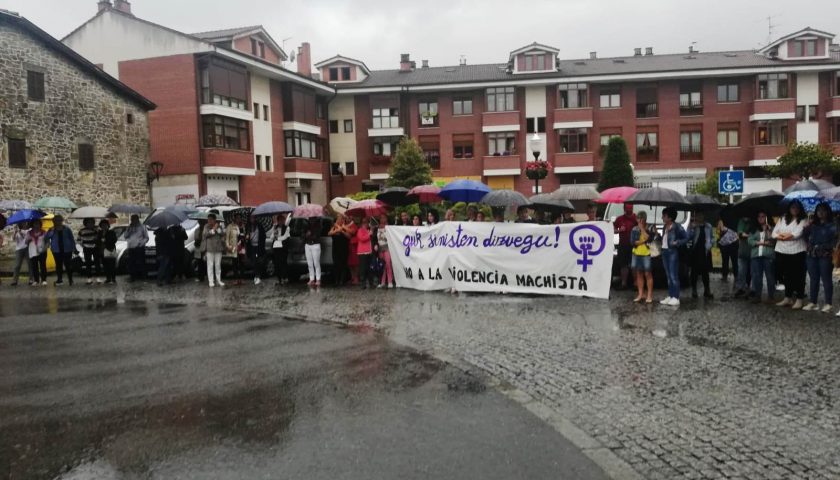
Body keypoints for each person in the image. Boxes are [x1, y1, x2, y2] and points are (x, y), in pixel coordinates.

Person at [772, 200, 807, 309]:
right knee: (786, 275)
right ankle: (788, 297)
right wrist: (784, 236)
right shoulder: (782, 218)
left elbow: (796, 234)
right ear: (789, 208)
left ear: (800, 209)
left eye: (797, 207)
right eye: (793, 207)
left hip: (797, 251)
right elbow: (774, 233)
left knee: (798, 276)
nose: (795, 209)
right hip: (782, 251)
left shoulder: (803, 220)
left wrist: (782, 236)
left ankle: (799, 299)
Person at [803, 202, 837, 312]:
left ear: (828, 212)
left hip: (825, 256)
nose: (820, 212)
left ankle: (828, 303)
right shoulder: (813, 225)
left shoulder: (833, 226)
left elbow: (834, 242)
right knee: (813, 279)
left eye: (823, 210)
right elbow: (805, 235)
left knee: (826, 279)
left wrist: (822, 246)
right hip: (812, 255)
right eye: (818, 210)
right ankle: (813, 302)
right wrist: (808, 227)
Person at [660, 207, 687, 306]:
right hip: (664, 252)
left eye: (664, 216)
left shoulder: (677, 227)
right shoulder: (665, 227)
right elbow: (664, 239)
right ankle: (671, 295)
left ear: (670, 218)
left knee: (673, 275)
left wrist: (677, 242)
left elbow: (686, 238)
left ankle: (676, 297)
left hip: (672, 253)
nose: (662, 217)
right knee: (668, 276)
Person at [748, 211, 775, 304]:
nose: (761, 218)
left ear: (767, 217)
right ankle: (757, 296)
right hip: (756, 255)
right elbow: (750, 241)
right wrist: (762, 243)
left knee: (770, 276)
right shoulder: (754, 229)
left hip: (768, 255)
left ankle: (771, 296)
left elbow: (773, 241)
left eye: (763, 216)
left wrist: (768, 230)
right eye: (759, 216)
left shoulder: (772, 228)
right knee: (756, 276)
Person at [687, 211, 714, 299]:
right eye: (698, 215)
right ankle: (694, 290)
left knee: (705, 271)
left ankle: (707, 290)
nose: (699, 217)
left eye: (701, 215)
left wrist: (711, 244)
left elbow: (712, 237)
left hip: (705, 251)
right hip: (696, 251)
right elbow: (688, 237)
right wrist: (691, 228)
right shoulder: (693, 226)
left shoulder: (708, 226)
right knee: (694, 272)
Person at [630, 211, 654, 303]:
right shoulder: (634, 229)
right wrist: (643, 241)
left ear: (645, 219)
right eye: (638, 219)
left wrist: (642, 229)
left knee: (648, 274)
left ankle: (649, 295)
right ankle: (640, 294)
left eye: (641, 218)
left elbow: (649, 239)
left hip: (647, 253)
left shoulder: (650, 227)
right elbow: (633, 242)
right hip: (636, 253)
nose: (639, 221)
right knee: (639, 273)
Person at [45, 215, 76, 286]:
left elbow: (71, 238)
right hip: (56, 250)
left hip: (67, 249)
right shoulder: (51, 229)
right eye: (56, 220)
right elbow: (46, 237)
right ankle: (59, 279)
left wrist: (74, 248)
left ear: (62, 221)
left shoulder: (67, 229)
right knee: (58, 265)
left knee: (68, 265)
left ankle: (70, 279)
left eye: (59, 220)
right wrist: (51, 231)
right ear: (53, 221)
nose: (58, 222)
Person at [613, 203, 637, 290]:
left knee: (634, 265)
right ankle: (624, 284)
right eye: (627, 208)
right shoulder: (619, 219)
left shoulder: (636, 218)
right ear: (624, 209)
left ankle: (636, 284)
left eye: (630, 208)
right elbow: (613, 229)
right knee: (623, 265)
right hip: (622, 245)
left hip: (634, 245)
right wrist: (619, 230)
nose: (629, 210)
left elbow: (643, 227)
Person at [202, 213, 225, 287]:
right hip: (210, 249)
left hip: (218, 248)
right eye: (208, 220)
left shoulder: (219, 226)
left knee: (218, 265)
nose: (209, 221)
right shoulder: (206, 226)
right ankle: (211, 281)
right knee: (210, 265)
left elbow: (222, 234)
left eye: (211, 220)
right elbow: (205, 235)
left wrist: (217, 228)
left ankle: (218, 280)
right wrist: (213, 229)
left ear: (215, 220)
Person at [78, 218, 102, 284]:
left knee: (97, 263)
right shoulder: (82, 231)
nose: (90, 224)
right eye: (89, 222)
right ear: (85, 223)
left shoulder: (96, 230)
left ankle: (98, 277)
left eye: (92, 222)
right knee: (88, 263)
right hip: (86, 248)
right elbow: (79, 240)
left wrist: (97, 231)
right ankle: (89, 278)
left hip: (95, 248)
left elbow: (100, 238)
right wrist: (83, 245)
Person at [125, 214, 149, 282]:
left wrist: (141, 243)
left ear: (137, 219)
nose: (132, 221)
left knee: (141, 262)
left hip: (139, 247)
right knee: (131, 263)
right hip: (131, 247)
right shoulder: (129, 227)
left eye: (133, 219)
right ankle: (132, 277)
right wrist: (129, 230)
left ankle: (143, 277)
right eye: (132, 220)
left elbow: (146, 237)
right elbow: (125, 236)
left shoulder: (142, 227)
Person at [328, 214, 351, 285]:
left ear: (343, 220)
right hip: (335, 249)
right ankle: (336, 280)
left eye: (341, 219)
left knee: (343, 265)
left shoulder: (345, 227)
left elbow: (349, 236)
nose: (339, 220)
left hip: (344, 249)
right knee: (336, 264)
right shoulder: (334, 227)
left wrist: (342, 231)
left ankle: (342, 280)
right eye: (338, 219)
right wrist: (337, 230)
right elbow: (329, 233)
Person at [734, 215, 753, 297]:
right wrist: (749, 235)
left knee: (752, 272)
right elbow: (740, 233)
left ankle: (751, 289)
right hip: (743, 251)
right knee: (741, 271)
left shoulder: (754, 221)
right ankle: (741, 288)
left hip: (753, 251)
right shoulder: (741, 221)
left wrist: (746, 235)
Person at [246, 215, 267, 285]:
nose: (252, 219)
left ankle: (258, 276)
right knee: (254, 261)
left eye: (253, 218)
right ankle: (256, 275)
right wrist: (247, 237)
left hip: (258, 247)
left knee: (258, 261)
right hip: (252, 247)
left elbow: (263, 236)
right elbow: (246, 236)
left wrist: (261, 245)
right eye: (250, 218)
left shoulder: (259, 226)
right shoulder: (248, 226)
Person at [270, 213, 291, 285]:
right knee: (277, 263)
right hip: (276, 248)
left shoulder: (287, 228)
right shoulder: (275, 228)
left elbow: (285, 237)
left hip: (283, 248)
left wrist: (278, 238)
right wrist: (274, 233)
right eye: (279, 220)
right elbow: (271, 237)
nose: (281, 222)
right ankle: (279, 278)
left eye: (282, 220)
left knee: (283, 263)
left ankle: (284, 277)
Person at [26, 220, 47, 286]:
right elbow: (26, 242)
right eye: (35, 224)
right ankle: (36, 280)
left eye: (38, 224)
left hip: (42, 251)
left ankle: (44, 280)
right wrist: (28, 240)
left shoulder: (44, 232)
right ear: (32, 225)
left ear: (40, 225)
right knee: (34, 266)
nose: (36, 225)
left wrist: (45, 248)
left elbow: (47, 241)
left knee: (43, 266)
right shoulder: (29, 233)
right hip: (33, 251)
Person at [376, 214, 394, 288]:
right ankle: (382, 281)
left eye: (384, 218)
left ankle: (390, 281)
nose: (382, 219)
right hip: (380, 248)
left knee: (388, 264)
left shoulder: (389, 227)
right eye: (381, 218)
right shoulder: (377, 228)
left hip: (387, 247)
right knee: (382, 265)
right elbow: (375, 239)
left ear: (387, 218)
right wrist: (376, 245)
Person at [225, 214, 243, 285]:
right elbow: (227, 237)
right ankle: (235, 278)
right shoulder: (230, 226)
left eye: (240, 218)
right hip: (234, 247)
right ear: (234, 219)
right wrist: (228, 246)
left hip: (241, 247)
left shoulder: (242, 226)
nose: (238, 219)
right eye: (237, 218)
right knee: (235, 263)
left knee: (241, 263)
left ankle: (241, 278)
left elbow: (244, 235)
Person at [356, 217, 373, 288]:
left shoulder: (368, 230)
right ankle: (363, 282)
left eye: (366, 222)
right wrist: (369, 234)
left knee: (369, 267)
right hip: (362, 252)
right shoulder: (360, 230)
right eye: (363, 222)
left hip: (369, 251)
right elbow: (362, 238)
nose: (365, 224)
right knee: (363, 268)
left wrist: (370, 232)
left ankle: (370, 282)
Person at [304, 217, 322, 287]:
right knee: (309, 263)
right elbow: (302, 235)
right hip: (307, 245)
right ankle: (311, 278)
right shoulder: (306, 226)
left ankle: (318, 279)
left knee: (316, 263)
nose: (311, 220)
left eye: (312, 219)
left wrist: (310, 234)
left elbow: (317, 235)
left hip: (315, 245)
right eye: (310, 219)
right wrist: (306, 235)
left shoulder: (318, 225)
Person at [99, 219, 118, 284]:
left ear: (108, 225)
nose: (104, 226)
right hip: (102, 251)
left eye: (105, 225)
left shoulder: (111, 232)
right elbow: (98, 241)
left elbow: (114, 240)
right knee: (105, 265)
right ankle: (108, 278)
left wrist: (106, 240)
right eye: (102, 225)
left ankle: (113, 278)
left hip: (110, 250)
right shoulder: (100, 233)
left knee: (112, 265)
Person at [193, 219, 206, 283]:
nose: (201, 224)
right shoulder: (197, 230)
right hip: (198, 248)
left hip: (205, 248)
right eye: (200, 222)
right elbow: (195, 239)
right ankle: (200, 277)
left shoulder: (206, 229)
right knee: (200, 263)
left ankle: (205, 276)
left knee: (205, 263)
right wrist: (198, 239)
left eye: (202, 222)